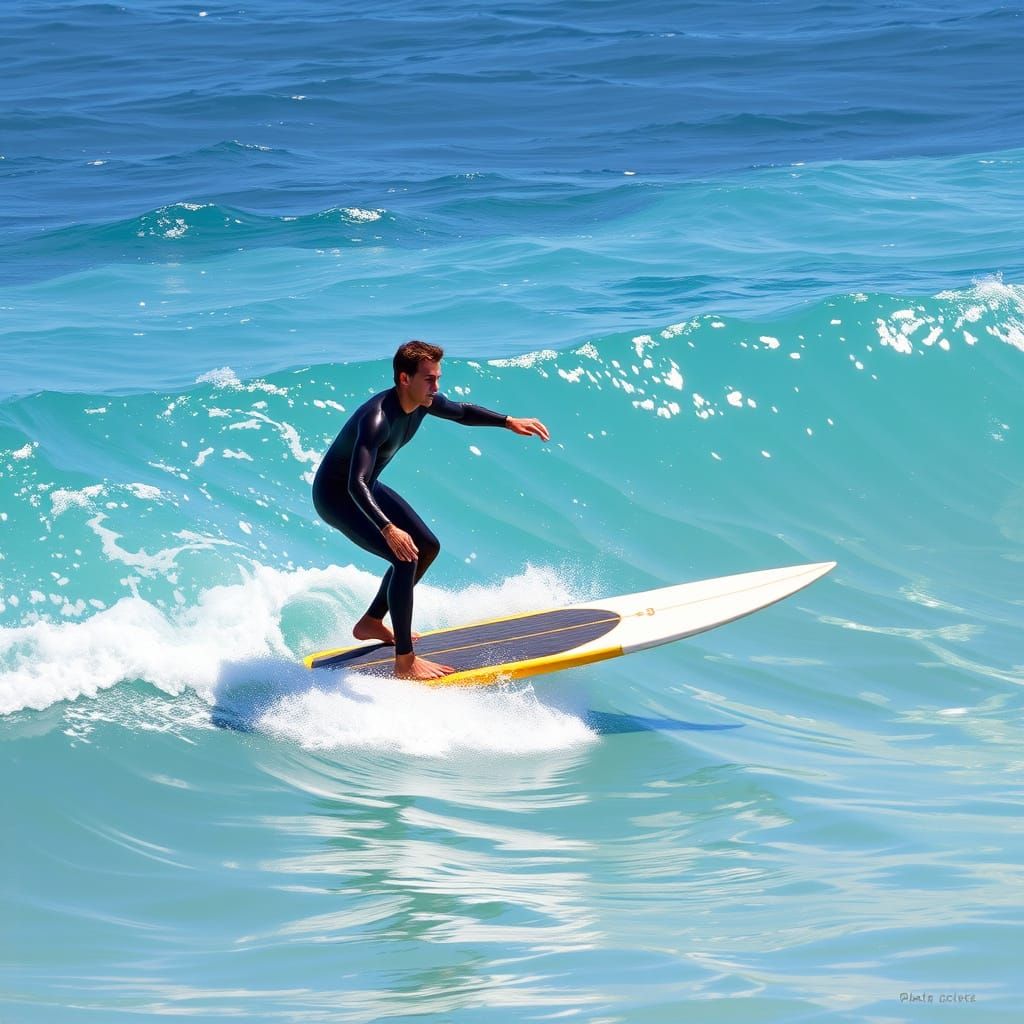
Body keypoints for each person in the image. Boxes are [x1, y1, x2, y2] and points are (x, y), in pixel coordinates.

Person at [312, 340, 550, 680]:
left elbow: (462, 412)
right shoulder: (377, 419)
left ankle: (371, 622)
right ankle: (405, 662)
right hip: (337, 496)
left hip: (366, 486)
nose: (436, 387)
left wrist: (508, 421)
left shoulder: (422, 402)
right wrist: (388, 529)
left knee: (427, 546)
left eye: (438, 378)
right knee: (404, 556)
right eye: (429, 379)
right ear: (404, 378)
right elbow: (356, 483)